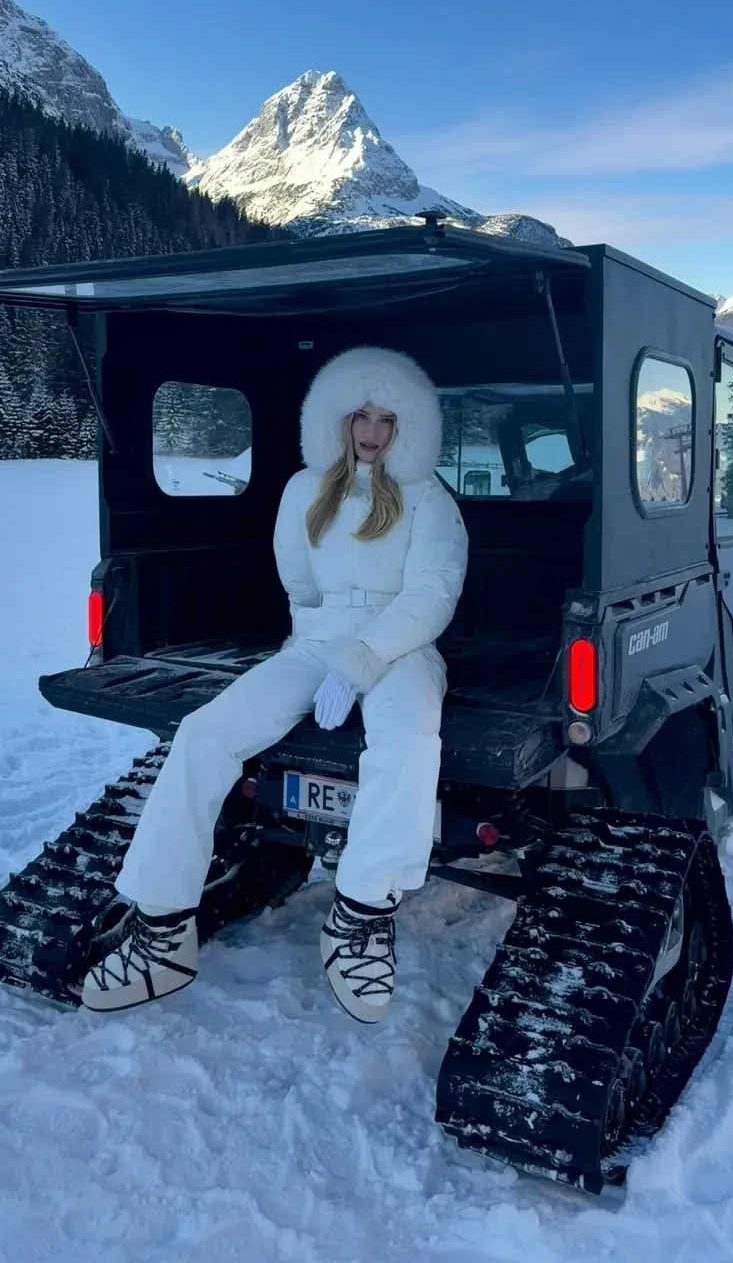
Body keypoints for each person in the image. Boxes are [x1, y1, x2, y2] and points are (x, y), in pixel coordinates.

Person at [81, 347, 468, 1023]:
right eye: (361, 416)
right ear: (336, 419)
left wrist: (363, 657)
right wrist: (317, 649)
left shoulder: (429, 498)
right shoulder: (302, 491)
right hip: (315, 642)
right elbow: (300, 582)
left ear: (408, 427)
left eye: (388, 420)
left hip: (402, 646)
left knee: (408, 740)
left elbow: (432, 596)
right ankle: (162, 930)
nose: (372, 432)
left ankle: (360, 915)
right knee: (204, 734)